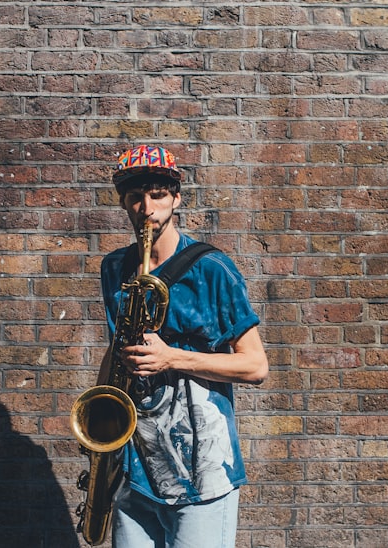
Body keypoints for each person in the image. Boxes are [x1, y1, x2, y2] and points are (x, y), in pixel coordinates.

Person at [99, 145, 269, 547]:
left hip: (201, 474)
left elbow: (256, 366)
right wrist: (99, 424)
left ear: (176, 197)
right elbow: (116, 347)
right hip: (134, 468)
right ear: (123, 201)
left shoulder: (212, 268)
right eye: (136, 196)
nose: (147, 208)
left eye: (158, 195)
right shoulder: (114, 268)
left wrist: (171, 357)